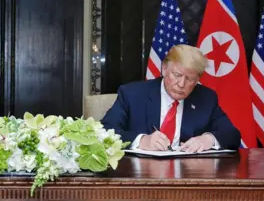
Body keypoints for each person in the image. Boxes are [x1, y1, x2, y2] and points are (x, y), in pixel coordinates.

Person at [101, 44, 241, 152]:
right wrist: (142, 141)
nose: (181, 84)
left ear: (198, 78)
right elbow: (104, 131)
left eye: (190, 79)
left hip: (189, 178)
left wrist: (208, 139)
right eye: (177, 75)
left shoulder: (206, 98)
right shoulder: (132, 94)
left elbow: (232, 135)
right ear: (164, 68)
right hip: (139, 177)